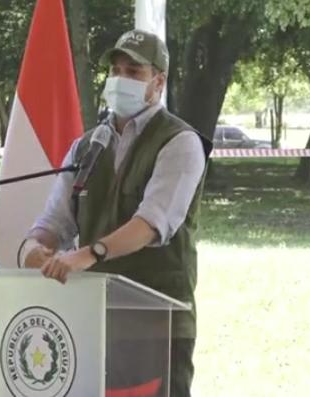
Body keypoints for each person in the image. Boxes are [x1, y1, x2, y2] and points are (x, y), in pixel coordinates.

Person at [21, 30, 212, 397]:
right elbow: (54, 221)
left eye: (134, 72)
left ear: (158, 81)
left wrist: (86, 254)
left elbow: (149, 224)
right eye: (115, 70)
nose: (120, 79)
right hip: (93, 319)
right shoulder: (87, 145)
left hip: (158, 325)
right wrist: (35, 247)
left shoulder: (180, 142)